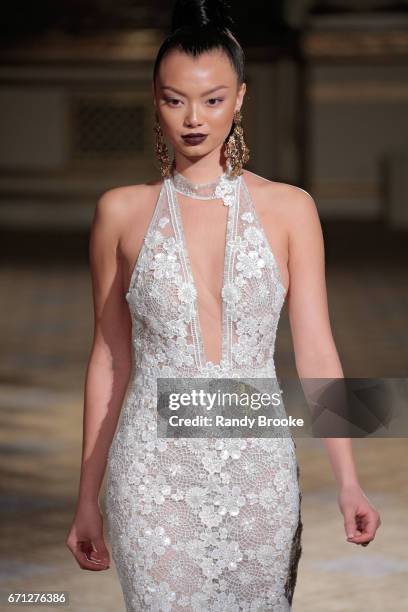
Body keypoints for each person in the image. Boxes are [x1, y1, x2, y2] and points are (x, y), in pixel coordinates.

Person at [66, 0, 381, 609]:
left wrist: (349, 480)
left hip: (258, 472)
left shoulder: (291, 210)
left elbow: (316, 349)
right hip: (150, 475)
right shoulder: (120, 213)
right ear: (154, 100)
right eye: (173, 99)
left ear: (240, 100)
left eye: (212, 100)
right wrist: (87, 494)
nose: (192, 118)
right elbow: (109, 358)